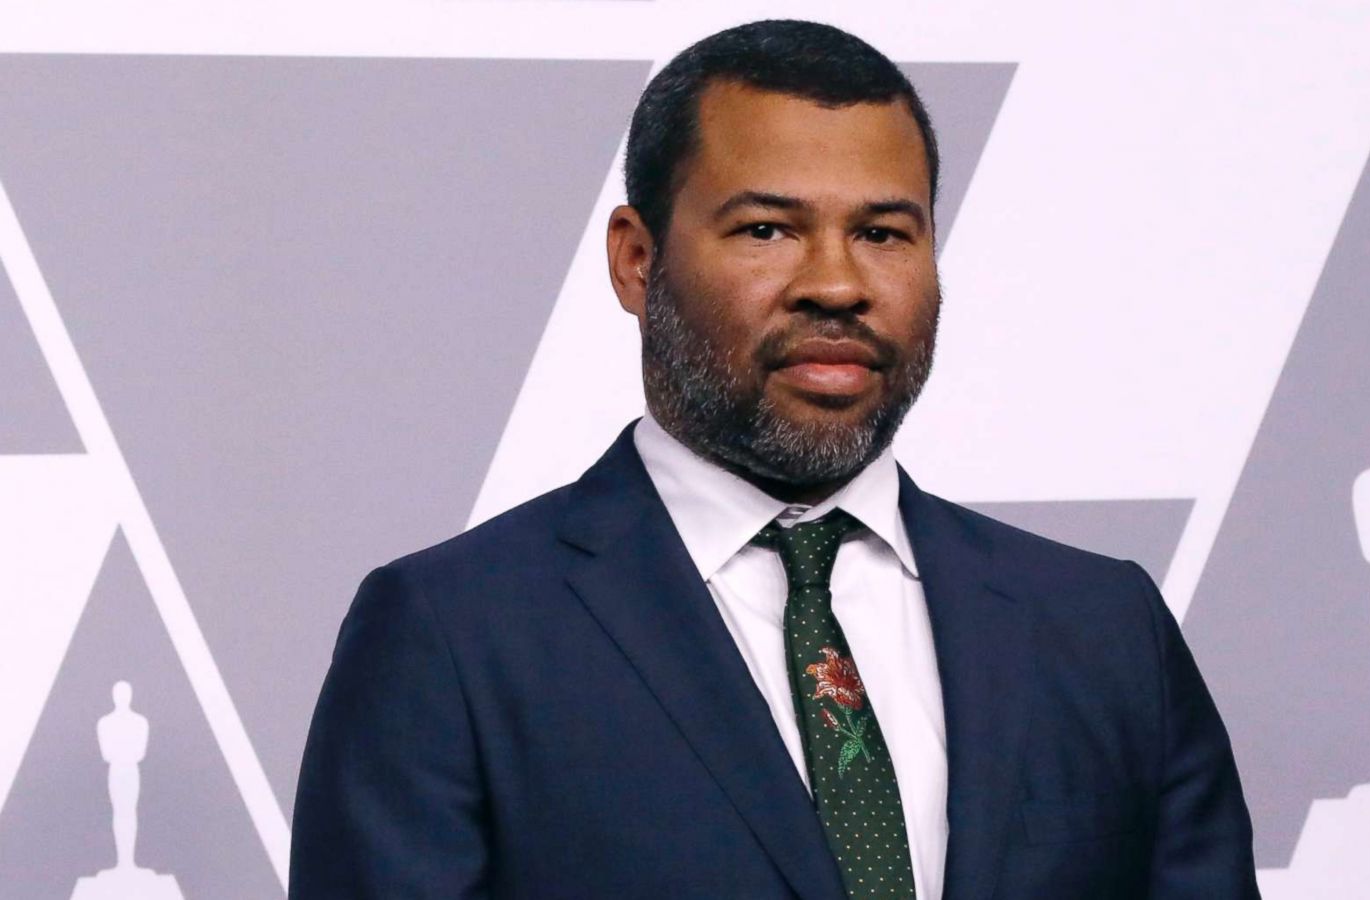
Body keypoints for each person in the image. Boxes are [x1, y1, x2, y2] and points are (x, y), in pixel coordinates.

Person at [288, 18, 1258, 899]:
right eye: (767, 229)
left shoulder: (1100, 629)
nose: (835, 283)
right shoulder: (454, 635)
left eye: (882, 233)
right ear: (637, 260)